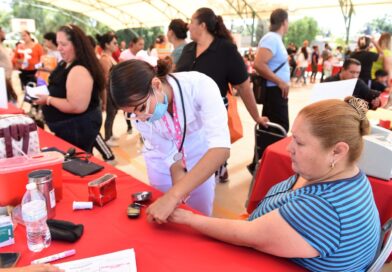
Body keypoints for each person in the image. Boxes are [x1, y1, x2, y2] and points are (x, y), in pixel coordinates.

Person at [169, 96, 381, 272]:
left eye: (299, 142)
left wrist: (189, 218)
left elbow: (247, 235)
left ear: (337, 151)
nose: (289, 148)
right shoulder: (346, 175)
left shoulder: (324, 209)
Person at [110, 58, 230, 221]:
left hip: (201, 159)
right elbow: (171, 155)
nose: (141, 118)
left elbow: (220, 149)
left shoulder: (199, 86)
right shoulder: (138, 117)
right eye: (133, 114)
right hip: (161, 164)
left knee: (200, 216)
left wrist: (174, 195)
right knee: (168, 220)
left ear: (157, 85)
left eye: (141, 108)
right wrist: (176, 191)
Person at [176, 7, 267, 182]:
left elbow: (244, 87)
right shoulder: (188, 49)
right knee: (189, 164)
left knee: (207, 170)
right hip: (186, 120)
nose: (188, 27)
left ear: (202, 25)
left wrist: (256, 117)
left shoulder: (226, 50)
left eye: (191, 22)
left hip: (211, 120)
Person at [34, 24, 105, 153]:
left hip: (77, 130)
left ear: (77, 45)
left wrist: (48, 99)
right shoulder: (65, 62)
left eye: (63, 44)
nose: (59, 48)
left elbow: (76, 106)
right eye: (58, 43)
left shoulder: (79, 69)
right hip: (67, 129)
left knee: (77, 165)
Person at [248, 8, 290, 173]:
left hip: (276, 91)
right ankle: (263, 165)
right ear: (284, 22)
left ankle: (260, 163)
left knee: (272, 128)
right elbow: (259, 64)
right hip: (274, 91)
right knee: (277, 129)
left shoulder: (275, 39)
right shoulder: (272, 38)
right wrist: (280, 81)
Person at [96, 31, 119, 146]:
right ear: (106, 45)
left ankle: (110, 133)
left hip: (113, 90)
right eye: (114, 43)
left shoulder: (110, 57)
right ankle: (107, 138)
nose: (117, 45)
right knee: (110, 114)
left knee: (113, 113)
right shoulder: (105, 59)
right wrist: (104, 99)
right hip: (109, 91)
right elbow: (105, 80)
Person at [0, 26, 17, 103]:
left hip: (7, 79)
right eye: (2, 31)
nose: (4, 33)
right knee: (9, 102)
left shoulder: (1, 45)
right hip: (3, 81)